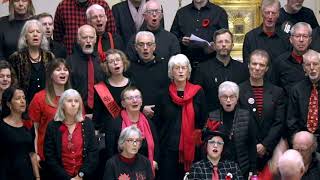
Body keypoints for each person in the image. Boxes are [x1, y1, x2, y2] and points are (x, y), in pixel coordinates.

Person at [155, 54, 207, 180]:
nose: (180, 71)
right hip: (168, 149)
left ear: (188, 71)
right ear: (171, 72)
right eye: (176, 68)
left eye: (184, 67)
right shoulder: (163, 94)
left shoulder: (198, 92)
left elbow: (203, 119)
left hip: (192, 149)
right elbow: (158, 122)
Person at [239, 49, 285, 171]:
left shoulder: (277, 92)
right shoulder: (238, 91)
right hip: (245, 150)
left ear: (267, 68)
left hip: (270, 151)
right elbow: (238, 122)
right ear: (248, 65)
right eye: (254, 64)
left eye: (262, 65)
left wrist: (265, 145)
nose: (257, 68)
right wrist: (252, 145)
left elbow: (279, 122)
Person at [92, 49, 133, 179]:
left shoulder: (132, 83)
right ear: (107, 66)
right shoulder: (100, 88)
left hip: (128, 134)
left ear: (123, 62)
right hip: (108, 137)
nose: (115, 64)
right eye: (111, 61)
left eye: (118, 60)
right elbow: (97, 116)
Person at [28, 58, 71, 178]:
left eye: (65, 69)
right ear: (50, 75)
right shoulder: (39, 98)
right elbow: (33, 130)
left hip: (71, 156)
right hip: (47, 156)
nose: (63, 72)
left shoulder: (74, 97)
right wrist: (35, 153)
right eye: (58, 70)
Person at [44, 89, 98, 180]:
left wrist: (80, 175)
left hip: (84, 177)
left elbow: (93, 153)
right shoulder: (53, 126)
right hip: (59, 177)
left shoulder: (87, 124)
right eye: (69, 101)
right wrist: (66, 178)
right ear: (62, 105)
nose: (73, 104)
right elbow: (50, 156)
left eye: (76, 101)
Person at [206, 81, 257, 178]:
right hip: (217, 168)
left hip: (242, 167)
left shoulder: (246, 116)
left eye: (232, 97)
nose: (228, 100)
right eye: (224, 97)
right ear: (219, 99)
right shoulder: (212, 116)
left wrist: (253, 169)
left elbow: (251, 144)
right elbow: (206, 145)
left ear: (237, 98)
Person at [193, 28, 249, 112]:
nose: (223, 44)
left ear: (232, 45)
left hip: (237, 120)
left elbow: (245, 97)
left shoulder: (242, 69)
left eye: (227, 41)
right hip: (211, 120)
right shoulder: (202, 69)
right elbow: (198, 99)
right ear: (214, 46)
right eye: (220, 42)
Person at [170, 0, 228, 67]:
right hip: (186, 67)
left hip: (211, 65)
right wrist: (182, 41)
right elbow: (172, 39)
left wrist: (214, 47)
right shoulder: (181, 13)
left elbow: (225, 40)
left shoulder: (219, 13)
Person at [8, 19, 54, 103]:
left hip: (46, 103)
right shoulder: (16, 58)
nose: (35, 34)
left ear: (42, 36)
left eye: (38, 32)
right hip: (24, 105)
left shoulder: (50, 56)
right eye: (31, 32)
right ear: (25, 36)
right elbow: (13, 86)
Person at [126, 31, 169, 119]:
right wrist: (142, 108)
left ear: (154, 47)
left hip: (163, 117)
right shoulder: (129, 67)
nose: (145, 48)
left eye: (149, 44)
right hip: (137, 115)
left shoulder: (165, 66)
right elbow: (126, 94)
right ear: (136, 47)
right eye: (141, 44)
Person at [0, 86, 39, 180]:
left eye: (24, 98)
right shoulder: (2, 126)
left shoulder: (29, 124)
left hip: (27, 174)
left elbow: (32, 153)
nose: (22, 101)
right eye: (18, 98)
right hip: (6, 174)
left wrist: (37, 177)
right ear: (9, 103)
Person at [67, 24, 105, 114]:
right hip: (76, 110)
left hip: (100, 111)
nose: (88, 41)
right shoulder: (70, 61)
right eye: (84, 38)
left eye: (91, 37)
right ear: (78, 40)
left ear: (95, 40)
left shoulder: (102, 60)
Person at [286, 49, 320, 148]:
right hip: (303, 141)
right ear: (304, 68)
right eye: (308, 65)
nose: (312, 68)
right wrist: (299, 140)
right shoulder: (296, 90)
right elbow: (291, 121)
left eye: (315, 64)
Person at [243, 0, 290, 65]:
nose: (270, 17)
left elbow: (288, 65)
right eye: (267, 12)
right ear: (262, 13)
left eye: (273, 13)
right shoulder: (250, 37)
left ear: (278, 14)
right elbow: (247, 65)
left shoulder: (286, 38)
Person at [272, 22, 313, 94]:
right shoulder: (280, 62)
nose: (301, 40)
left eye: (305, 36)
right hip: (287, 104)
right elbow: (274, 90)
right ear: (291, 39)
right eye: (297, 36)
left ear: (310, 40)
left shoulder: (316, 61)